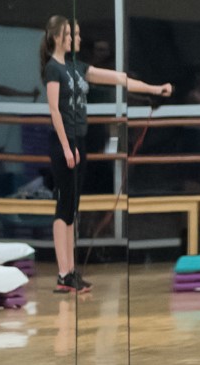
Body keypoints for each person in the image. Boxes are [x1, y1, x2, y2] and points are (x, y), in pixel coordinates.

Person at [37, 16, 173, 293]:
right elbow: (54, 111)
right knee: (64, 206)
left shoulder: (77, 67)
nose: (77, 38)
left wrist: (152, 89)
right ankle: (64, 272)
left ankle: (70, 271)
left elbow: (119, 79)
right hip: (64, 142)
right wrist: (66, 146)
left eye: (77, 33)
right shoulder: (54, 69)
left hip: (80, 140)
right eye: (71, 34)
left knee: (72, 206)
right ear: (57, 37)